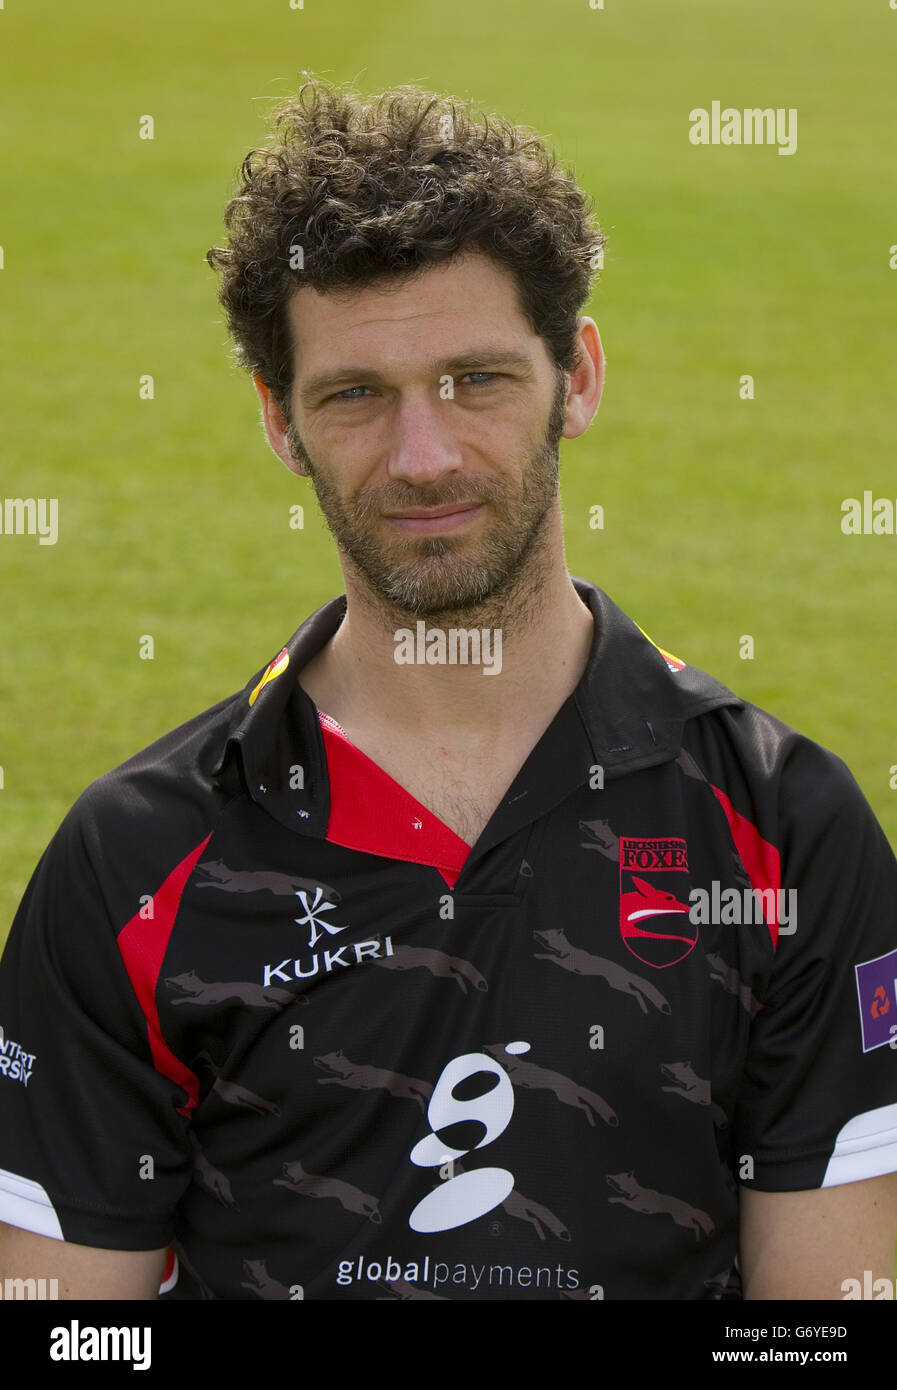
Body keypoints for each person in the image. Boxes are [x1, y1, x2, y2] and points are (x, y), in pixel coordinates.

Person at [1, 75, 895, 1302]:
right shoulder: (135, 861)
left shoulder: (785, 835)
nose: (424, 457)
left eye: (476, 380)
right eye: (356, 395)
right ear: (279, 420)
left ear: (575, 376)